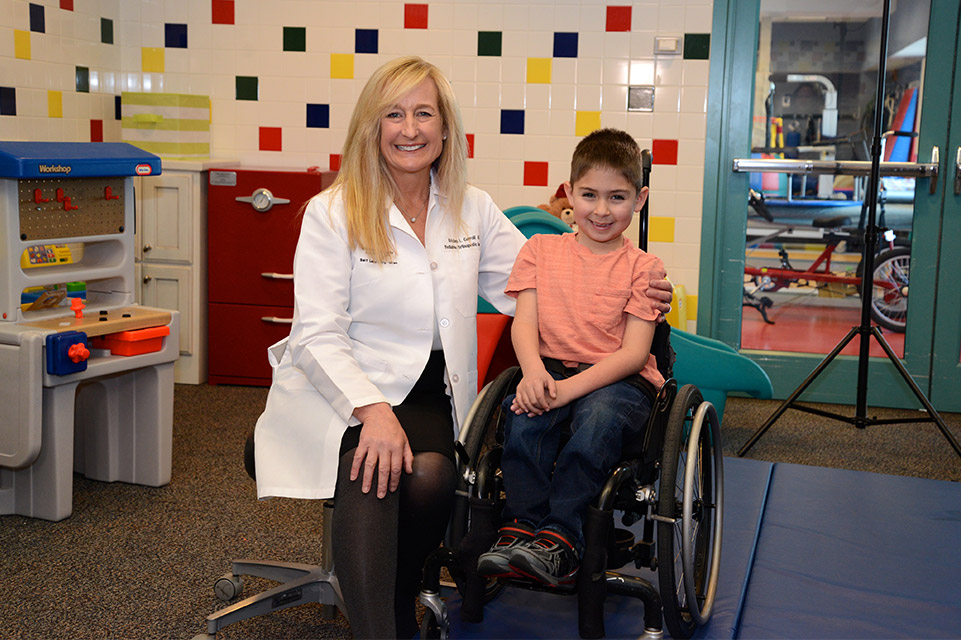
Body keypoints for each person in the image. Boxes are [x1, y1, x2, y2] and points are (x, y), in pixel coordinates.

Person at [252, 57, 673, 639]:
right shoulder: (333, 212)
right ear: (371, 127)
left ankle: (397, 603)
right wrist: (371, 411)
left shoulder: (469, 206)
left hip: (430, 388)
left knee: (428, 475)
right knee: (372, 464)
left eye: (424, 113)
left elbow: (540, 289)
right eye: (393, 114)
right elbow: (316, 332)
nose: (410, 128)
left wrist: (632, 287)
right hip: (342, 385)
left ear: (445, 129)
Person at [477, 128, 666, 587]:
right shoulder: (539, 250)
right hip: (551, 367)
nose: (601, 210)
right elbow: (523, 324)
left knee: (596, 423)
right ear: (568, 192)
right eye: (589, 195)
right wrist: (535, 374)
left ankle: (563, 537)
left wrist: (565, 392)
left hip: (619, 381)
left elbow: (634, 353)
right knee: (523, 418)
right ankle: (520, 528)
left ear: (639, 199)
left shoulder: (645, 268)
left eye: (617, 197)